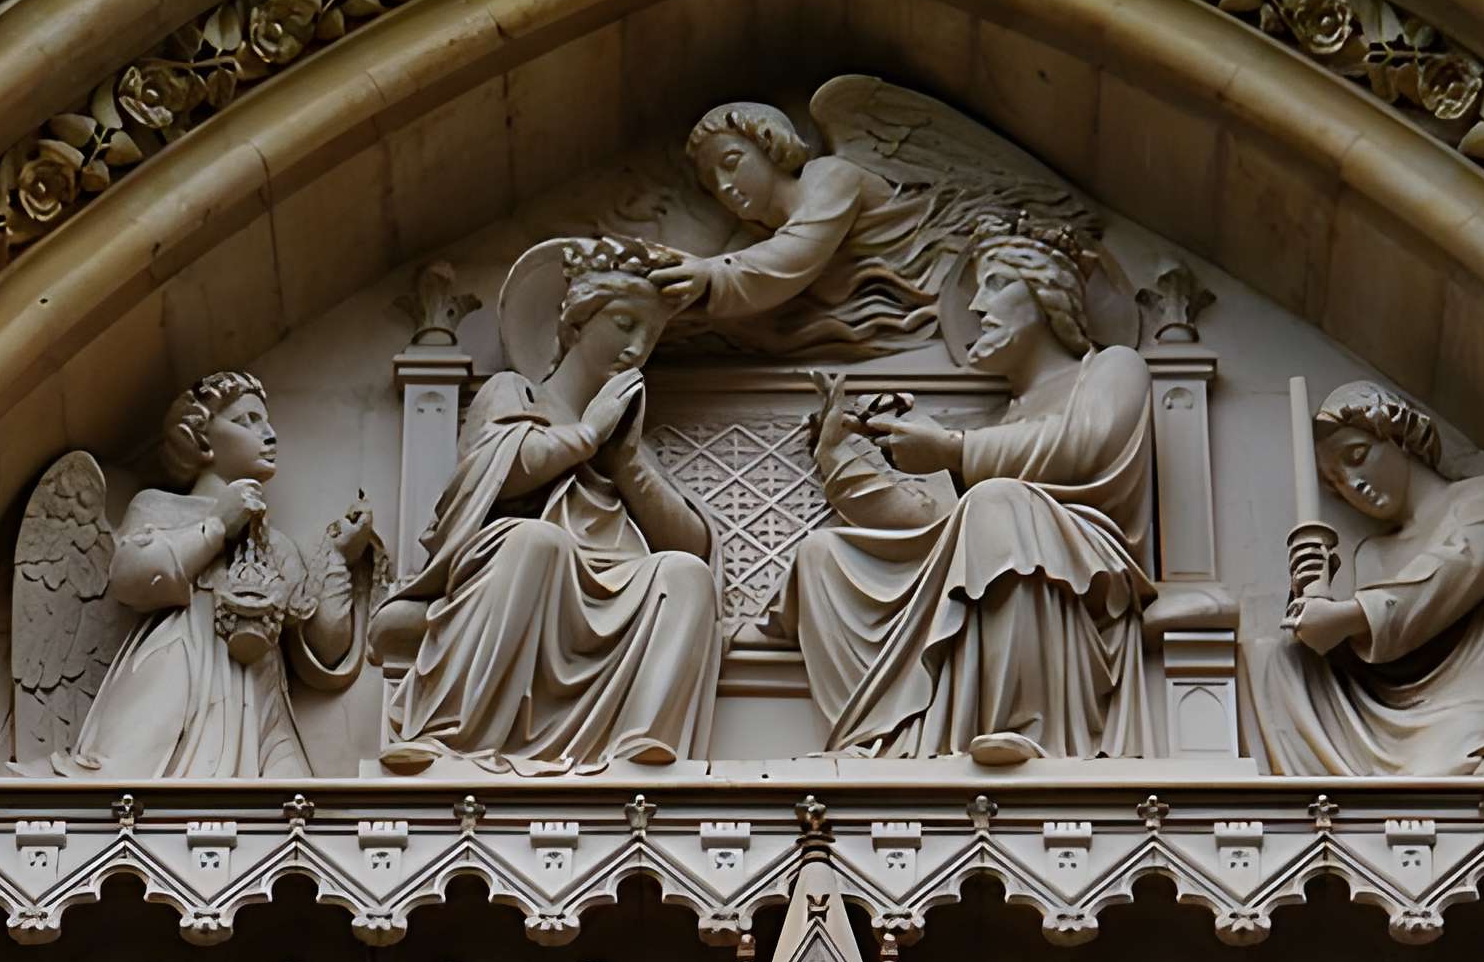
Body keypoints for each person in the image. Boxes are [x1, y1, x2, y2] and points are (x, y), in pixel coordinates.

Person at [779, 232, 1156, 762]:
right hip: (995, 536)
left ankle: (1024, 721)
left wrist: (954, 449)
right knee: (822, 555)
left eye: (997, 284)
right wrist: (840, 452)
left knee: (998, 502)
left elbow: (1087, 444)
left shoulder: (1112, 367)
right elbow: (931, 526)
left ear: (1050, 297)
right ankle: (878, 741)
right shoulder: (1008, 419)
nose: (977, 306)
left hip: (1083, 568)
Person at [381, 238, 720, 769]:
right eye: (625, 324)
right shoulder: (516, 393)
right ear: (576, 323)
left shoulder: (626, 438)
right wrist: (586, 436)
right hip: (525, 573)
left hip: (614, 580)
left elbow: (691, 544)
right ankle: (452, 735)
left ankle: (639, 748)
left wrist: (627, 464)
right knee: (539, 542)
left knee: (685, 575)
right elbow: (492, 474)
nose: (637, 347)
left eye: (650, 335)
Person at [1252, 380, 1484, 776]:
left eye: (1356, 456)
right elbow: (1379, 658)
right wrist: (1311, 601)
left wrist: (1349, 615)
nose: (1353, 484)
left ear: (1399, 435)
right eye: (1336, 483)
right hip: (1398, 701)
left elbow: (1449, 576)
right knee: (1281, 660)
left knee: (1427, 782)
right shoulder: (1372, 554)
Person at [67, 371, 359, 778]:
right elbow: (130, 577)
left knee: (296, 803)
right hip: (174, 688)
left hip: (260, 710)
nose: (269, 435)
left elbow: (326, 646)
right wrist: (217, 525)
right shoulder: (160, 508)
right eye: (246, 421)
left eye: (266, 421)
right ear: (201, 439)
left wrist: (338, 559)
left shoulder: (277, 546)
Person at [645, 100, 947, 354]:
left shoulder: (831, 176)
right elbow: (730, 276)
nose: (723, 186)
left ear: (770, 145)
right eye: (711, 182)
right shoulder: (757, 231)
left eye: (731, 162)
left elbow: (792, 256)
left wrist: (710, 275)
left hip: (935, 271)